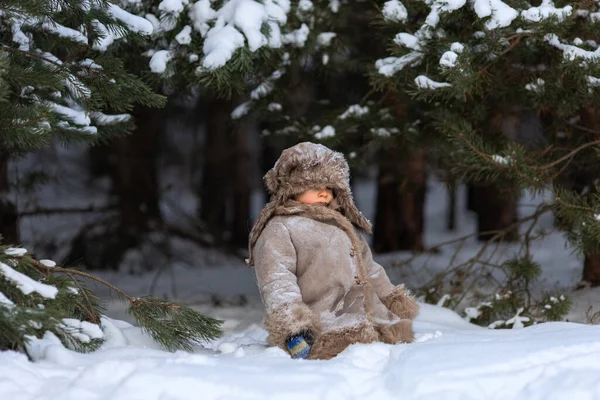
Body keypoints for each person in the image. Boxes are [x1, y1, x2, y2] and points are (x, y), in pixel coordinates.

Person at [248, 142, 418, 360]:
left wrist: (391, 298)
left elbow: (370, 269)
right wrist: (294, 328)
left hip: (376, 324)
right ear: (291, 189)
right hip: (326, 328)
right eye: (314, 185)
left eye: (330, 187)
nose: (323, 193)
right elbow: (277, 281)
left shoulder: (342, 226)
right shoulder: (280, 229)